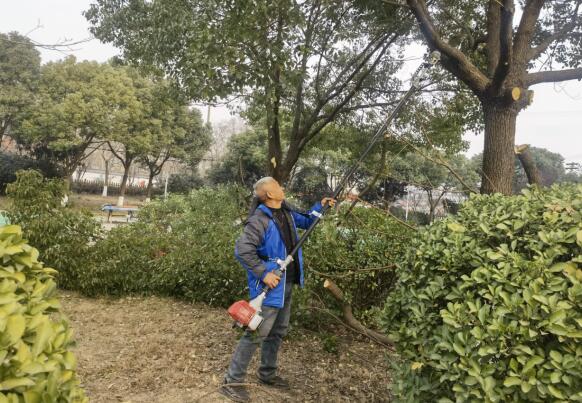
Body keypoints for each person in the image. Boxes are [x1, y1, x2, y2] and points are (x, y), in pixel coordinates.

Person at [220, 177, 335, 402]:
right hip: (269, 286)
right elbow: (243, 250)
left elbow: (309, 221)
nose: (281, 188)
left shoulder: (286, 211)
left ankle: (267, 374)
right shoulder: (259, 220)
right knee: (256, 333)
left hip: (286, 283)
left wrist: (321, 206)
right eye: (277, 186)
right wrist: (264, 273)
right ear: (270, 194)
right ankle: (231, 382)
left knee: (277, 331)